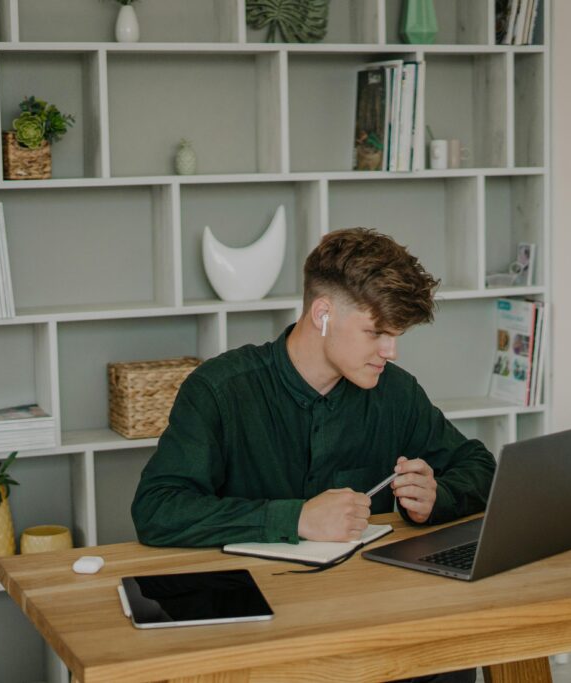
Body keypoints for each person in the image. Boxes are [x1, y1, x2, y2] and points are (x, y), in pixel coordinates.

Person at [132, 228, 495, 683]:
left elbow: (479, 465)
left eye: (396, 335)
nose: (391, 351)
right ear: (322, 314)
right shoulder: (221, 391)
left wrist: (437, 495)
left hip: (369, 618)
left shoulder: (395, 392)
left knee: (456, 654)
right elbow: (157, 509)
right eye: (376, 333)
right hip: (251, 625)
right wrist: (296, 519)